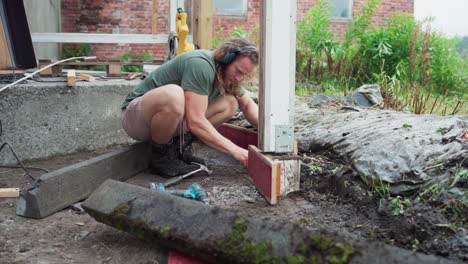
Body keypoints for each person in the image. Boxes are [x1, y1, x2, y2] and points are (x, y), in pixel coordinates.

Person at [121, 38, 259, 177]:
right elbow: (196, 121)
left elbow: (247, 105)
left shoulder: (228, 76)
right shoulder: (201, 64)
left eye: (244, 75)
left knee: (230, 103)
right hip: (137, 118)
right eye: (238, 71)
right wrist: (237, 151)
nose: (238, 78)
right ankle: (160, 157)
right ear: (227, 58)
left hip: (165, 123)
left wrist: (271, 134)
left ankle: (177, 150)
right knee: (174, 96)